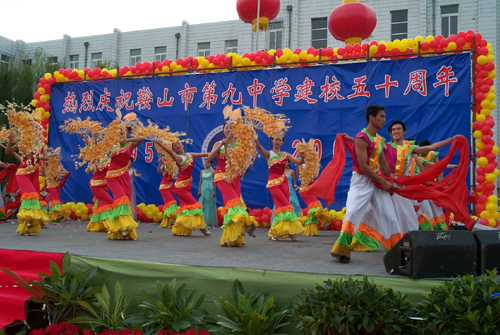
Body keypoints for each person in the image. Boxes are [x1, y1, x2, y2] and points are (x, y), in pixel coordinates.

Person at [330, 105, 401, 263]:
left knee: (390, 217)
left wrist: (394, 180)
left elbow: (383, 166)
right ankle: (342, 249)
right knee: (353, 212)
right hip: (362, 180)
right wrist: (384, 181)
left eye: (384, 116)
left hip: (376, 181)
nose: (384, 120)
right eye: (381, 117)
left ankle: (395, 252)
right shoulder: (362, 138)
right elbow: (363, 166)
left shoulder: (379, 139)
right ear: (371, 118)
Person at [206, 121, 254, 247]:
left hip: (235, 178)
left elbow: (243, 162)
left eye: (231, 127)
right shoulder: (219, 143)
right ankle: (246, 225)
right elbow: (210, 158)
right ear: (223, 130)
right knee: (235, 203)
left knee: (231, 208)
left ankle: (231, 237)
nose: (228, 129)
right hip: (222, 176)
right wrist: (221, 144)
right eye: (226, 127)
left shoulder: (239, 145)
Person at [153, 139, 211, 237]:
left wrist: (213, 153)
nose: (177, 146)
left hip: (187, 185)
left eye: (178, 143)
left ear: (182, 145)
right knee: (196, 206)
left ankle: (181, 228)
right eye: (175, 145)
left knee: (185, 208)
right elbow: (169, 152)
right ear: (174, 149)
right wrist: (159, 143)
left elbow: (203, 154)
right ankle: (202, 228)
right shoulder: (178, 158)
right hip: (181, 188)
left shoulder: (189, 155)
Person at [256, 136, 305, 241]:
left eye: (280, 140)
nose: (277, 142)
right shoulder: (269, 154)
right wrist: (255, 139)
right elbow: (259, 146)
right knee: (287, 207)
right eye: (276, 139)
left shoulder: (285, 155)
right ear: (272, 141)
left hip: (284, 184)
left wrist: (303, 157)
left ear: (282, 142)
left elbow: (299, 163)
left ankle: (274, 232)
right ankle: (293, 233)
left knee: (280, 208)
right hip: (274, 185)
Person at [5, 130, 53, 235]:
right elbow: (8, 152)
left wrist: (36, 157)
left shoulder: (41, 144)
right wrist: (10, 140)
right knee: (29, 194)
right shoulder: (22, 143)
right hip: (22, 174)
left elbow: (46, 157)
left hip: (34, 175)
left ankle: (29, 220)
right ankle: (27, 219)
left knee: (35, 196)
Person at [105, 126, 144, 240]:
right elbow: (97, 148)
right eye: (119, 130)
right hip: (112, 177)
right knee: (122, 200)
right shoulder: (112, 145)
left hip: (124, 176)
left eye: (124, 130)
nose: (121, 132)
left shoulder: (130, 145)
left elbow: (141, 138)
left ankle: (119, 228)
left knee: (125, 201)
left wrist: (128, 140)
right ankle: (124, 228)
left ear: (128, 132)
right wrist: (95, 138)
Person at [157, 155, 178, 228]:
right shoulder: (164, 166)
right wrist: (159, 163)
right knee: (171, 202)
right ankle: (171, 220)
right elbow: (159, 172)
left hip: (170, 187)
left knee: (169, 203)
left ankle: (169, 221)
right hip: (164, 187)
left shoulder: (174, 167)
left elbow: (175, 177)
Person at [198, 159, 217, 227]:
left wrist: (214, 191)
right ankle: (200, 220)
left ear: (210, 164)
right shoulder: (202, 171)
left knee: (209, 203)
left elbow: (214, 182)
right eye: (205, 162)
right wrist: (199, 191)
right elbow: (200, 181)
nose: (206, 163)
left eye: (208, 162)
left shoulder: (213, 172)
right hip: (203, 188)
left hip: (210, 188)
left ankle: (208, 220)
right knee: (202, 202)